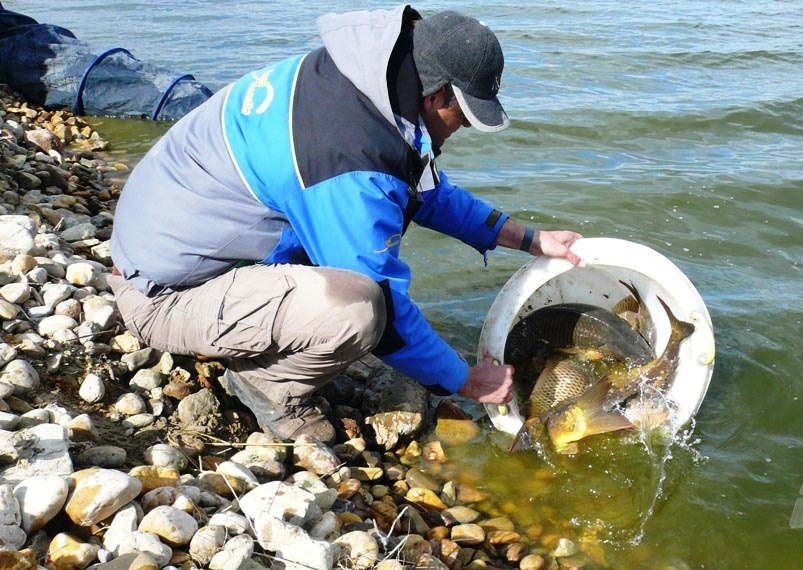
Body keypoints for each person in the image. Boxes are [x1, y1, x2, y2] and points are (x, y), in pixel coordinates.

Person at [107, 6, 585, 444]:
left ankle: (272, 337)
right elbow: (387, 311)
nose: (460, 129)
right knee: (359, 309)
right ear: (438, 96)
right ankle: (266, 384)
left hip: (162, 242)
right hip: (162, 294)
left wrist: (527, 238)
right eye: (463, 116)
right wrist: (462, 379)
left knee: (355, 283)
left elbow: (419, 187)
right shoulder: (346, 154)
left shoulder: (362, 82)